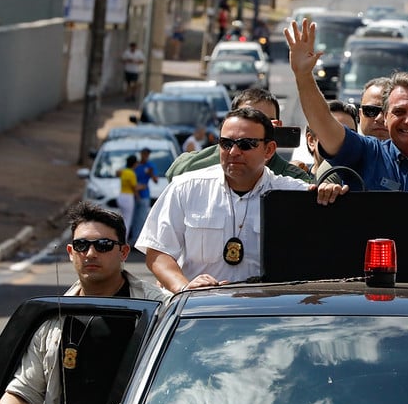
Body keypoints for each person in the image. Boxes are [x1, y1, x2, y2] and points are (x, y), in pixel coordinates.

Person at [285, 19, 408, 286]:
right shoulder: (364, 152)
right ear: (384, 117)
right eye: (399, 112)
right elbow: (324, 124)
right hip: (361, 298)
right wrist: (303, 76)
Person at [136, 107, 348, 293]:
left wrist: (330, 195)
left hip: (263, 317)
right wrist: (183, 287)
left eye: (246, 144)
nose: (234, 152)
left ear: (269, 150)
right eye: (226, 143)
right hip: (199, 314)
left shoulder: (294, 195)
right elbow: (158, 251)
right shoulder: (186, 187)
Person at [0, 202, 165, 404]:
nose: (90, 253)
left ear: (124, 252)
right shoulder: (51, 318)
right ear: (70, 253)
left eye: (104, 245)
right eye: (81, 245)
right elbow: (24, 391)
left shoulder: (160, 309)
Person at [165, 87, 312, 183]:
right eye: (246, 119)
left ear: (277, 125)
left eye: (264, 120)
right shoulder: (219, 158)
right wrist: (230, 146)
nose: (254, 127)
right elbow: (176, 173)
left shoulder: (292, 177)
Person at [305, 100, 358, 183]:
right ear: (311, 140)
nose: (343, 140)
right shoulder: (294, 183)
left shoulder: (366, 184)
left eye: (350, 135)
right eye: (332, 134)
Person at [130, 147, 158, 243]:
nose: (145, 156)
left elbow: (156, 180)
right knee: (133, 217)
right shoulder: (136, 166)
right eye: (144, 154)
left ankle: (139, 239)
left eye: (147, 155)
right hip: (133, 194)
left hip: (144, 195)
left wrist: (151, 174)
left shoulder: (150, 166)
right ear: (141, 154)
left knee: (142, 217)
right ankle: (134, 237)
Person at [117, 154, 139, 241]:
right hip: (128, 197)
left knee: (122, 218)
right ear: (134, 164)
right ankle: (123, 240)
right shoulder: (132, 174)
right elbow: (134, 187)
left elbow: (117, 172)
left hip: (121, 196)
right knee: (127, 220)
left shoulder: (124, 171)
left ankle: (119, 237)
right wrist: (138, 194)